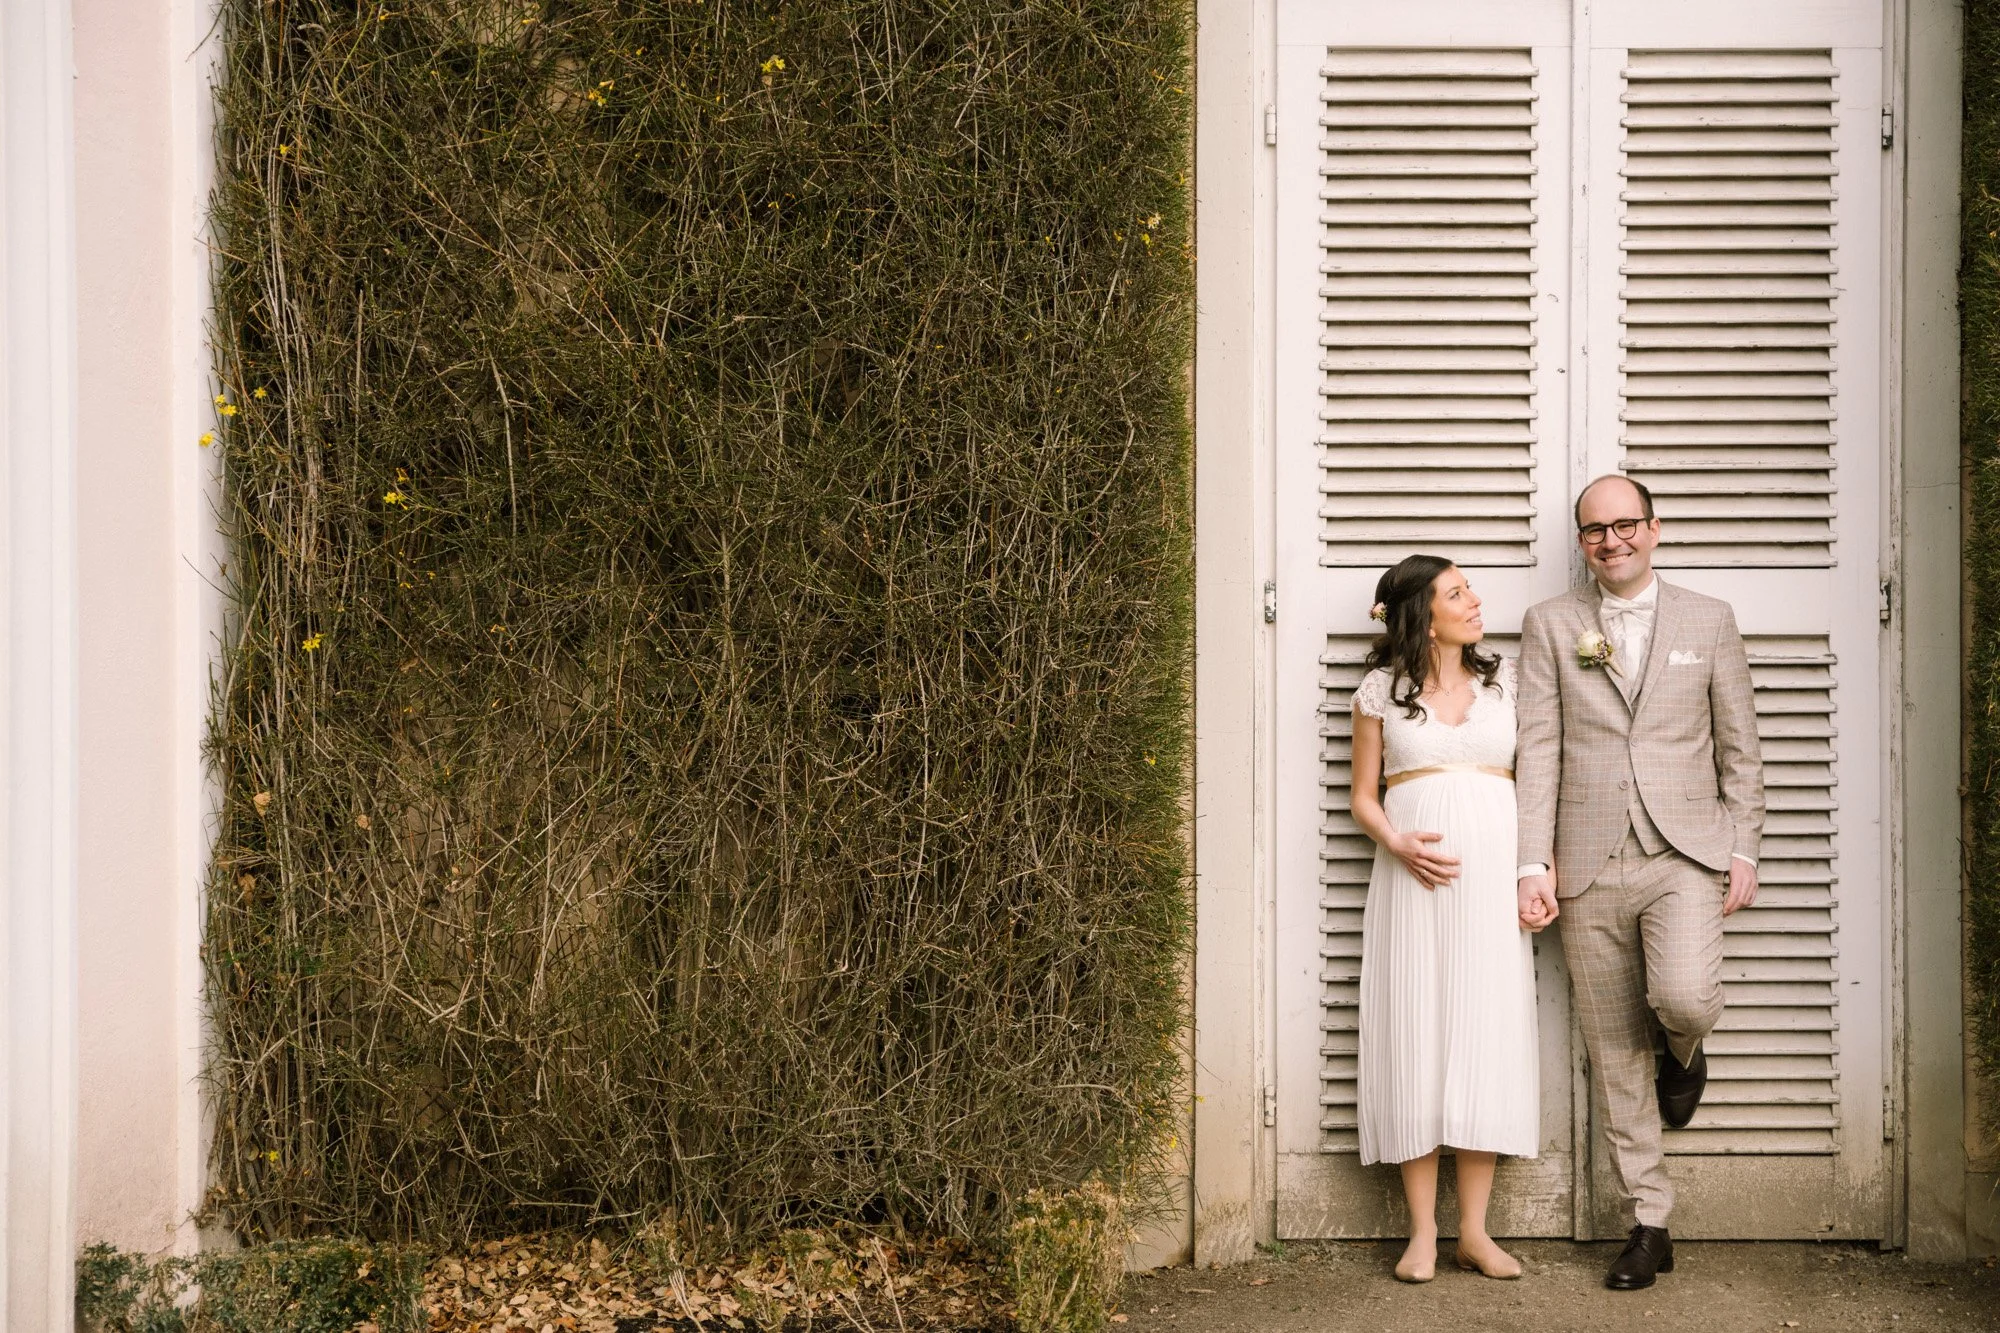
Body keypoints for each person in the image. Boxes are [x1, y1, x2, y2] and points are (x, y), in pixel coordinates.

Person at [1514, 474, 1764, 1291]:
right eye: (1595, 530)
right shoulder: (1551, 623)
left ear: (1655, 529)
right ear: (1581, 541)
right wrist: (1531, 859)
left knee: (1685, 996)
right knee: (1614, 1050)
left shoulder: (1709, 619)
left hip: (1684, 851)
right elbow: (1540, 747)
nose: (1611, 540)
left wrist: (1745, 846)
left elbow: (1741, 749)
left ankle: (1685, 1051)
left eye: (1626, 524)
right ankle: (1649, 1223)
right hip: (1584, 857)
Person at [1350, 553, 1539, 1284]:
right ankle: (1424, 1233)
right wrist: (1396, 840)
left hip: (1490, 885)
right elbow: (1364, 795)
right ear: (1422, 613)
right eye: (1457, 592)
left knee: (1483, 1035)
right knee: (1418, 1033)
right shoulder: (1379, 692)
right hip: (1412, 885)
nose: (1475, 599)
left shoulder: (1509, 683)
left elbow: (1538, 778)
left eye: (1470, 589)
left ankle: (1477, 1232)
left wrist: (1535, 870)